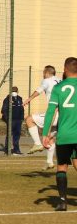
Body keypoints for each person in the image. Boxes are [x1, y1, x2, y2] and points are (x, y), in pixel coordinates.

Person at [42, 57, 77, 211]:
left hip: (64, 135)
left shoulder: (58, 88)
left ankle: (62, 201)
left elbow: (50, 112)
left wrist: (45, 134)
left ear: (65, 69)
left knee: (62, 166)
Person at [23, 65, 60, 170]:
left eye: (43, 73)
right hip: (63, 115)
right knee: (50, 138)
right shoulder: (60, 80)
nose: (43, 75)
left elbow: (39, 91)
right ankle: (49, 162)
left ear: (47, 73)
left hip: (54, 113)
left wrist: (28, 99)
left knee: (29, 119)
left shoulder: (47, 80)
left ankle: (37, 143)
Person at [1, 86, 24, 155]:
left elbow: (21, 109)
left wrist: (21, 118)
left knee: (17, 135)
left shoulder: (19, 98)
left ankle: (16, 149)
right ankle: (7, 149)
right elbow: (4, 110)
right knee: (9, 134)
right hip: (11, 120)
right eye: (13, 91)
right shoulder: (7, 99)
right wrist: (8, 119)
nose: (14, 92)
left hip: (18, 120)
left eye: (15, 91)